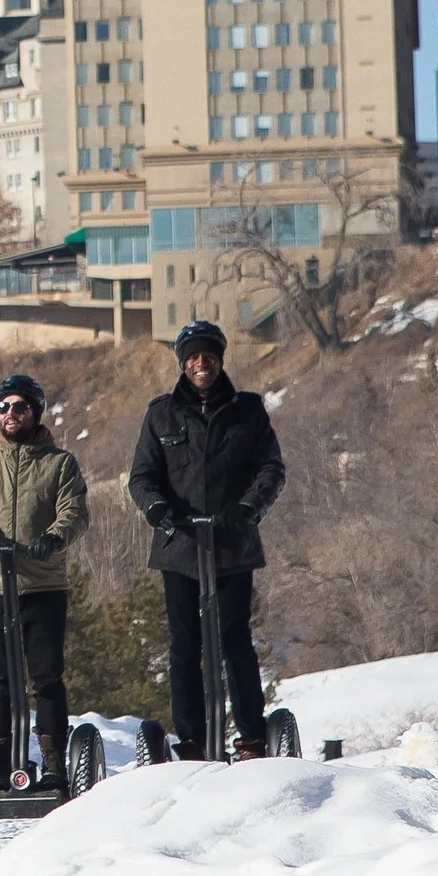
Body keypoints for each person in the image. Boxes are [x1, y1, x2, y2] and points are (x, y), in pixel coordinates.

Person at [126, 319, 287, 760]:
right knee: (184, 646)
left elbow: (271, 469)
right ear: (183, 362)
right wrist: (158, 510)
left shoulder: (248, 410)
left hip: (232, 546)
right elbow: (142, 477)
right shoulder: (161, 414)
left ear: (220, 358)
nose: (202, 364)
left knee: (235, 640)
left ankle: (252, 738)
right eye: (194, 357)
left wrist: (248, 508)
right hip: (179, 548)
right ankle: (193, 740)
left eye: (209, 355)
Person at [0, 373, 89, 789]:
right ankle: (5, 759)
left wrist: (53, 537)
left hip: (42, 583)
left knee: (46, 674)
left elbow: (75, 512)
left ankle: (52, 761)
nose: (11, 414)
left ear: (35, 411)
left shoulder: (59, 462)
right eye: (4, 407)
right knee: (2, 677)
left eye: (20, 406)